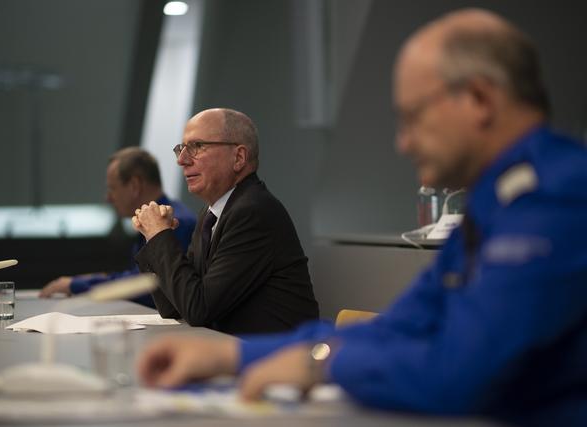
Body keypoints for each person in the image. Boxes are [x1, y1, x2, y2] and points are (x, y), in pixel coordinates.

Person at [135, 9, 587, 426]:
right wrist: (233, 360)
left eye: (413, 117)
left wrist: (320, 362)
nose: (403, 143)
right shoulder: (494, 205)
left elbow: (463, 369)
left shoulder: (557, 197)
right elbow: (403, 325)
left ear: (478, 99)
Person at [132, 108, 319, 334]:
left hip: (277, 358)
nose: (182, 160)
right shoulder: (211, 215)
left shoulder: (253, 212)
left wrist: (160, 236)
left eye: (197, 146)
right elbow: (174, 307)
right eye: (181, 149)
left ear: (238, 157)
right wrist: (154, 239)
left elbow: (199, 309)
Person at [39, 147, 197, 308]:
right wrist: (90, 280)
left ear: (135, 185)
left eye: (112, 188)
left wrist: (77, 285)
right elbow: (137, 276)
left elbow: (147, 286)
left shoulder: (176, 222)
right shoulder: (154, 220)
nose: (107, 198)